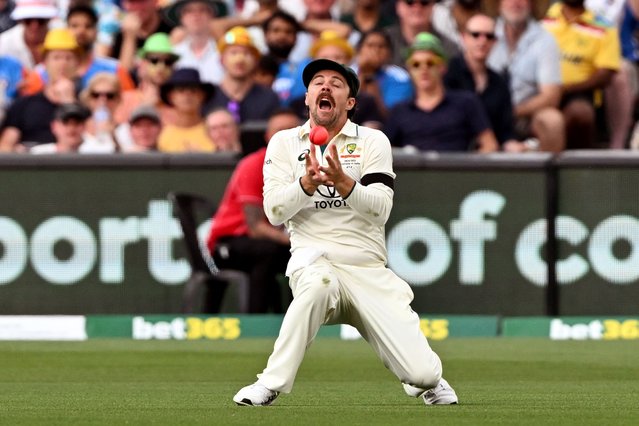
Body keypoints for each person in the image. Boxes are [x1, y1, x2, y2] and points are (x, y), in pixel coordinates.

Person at [232, 58, 458, 407]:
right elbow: (274, 210)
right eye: (318, 82)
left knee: (423, 376)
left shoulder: (372, 141)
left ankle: (425, 380)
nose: (325, 87)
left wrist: (344, 183)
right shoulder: (285, 143)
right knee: (318, 285)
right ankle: (269, 384)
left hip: (367, 268)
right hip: (314, 261)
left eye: (336, 84)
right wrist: (306, 183)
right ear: (307, 98)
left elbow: (381, 209)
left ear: (350, 102)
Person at [206, 109, 299, 314]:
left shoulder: (307, 167)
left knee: (306, 256)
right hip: (229, 242)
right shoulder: (254, 165)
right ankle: (256, 321)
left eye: (293, 131)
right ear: (268, 137)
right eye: (280, 131)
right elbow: (255, 228)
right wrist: (298, 241)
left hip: (274, 241)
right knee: (268, 251)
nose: (287, 137)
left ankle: (302, 321)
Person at [385, 32, 499, 152]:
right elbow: (384, 152)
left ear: (442, 67)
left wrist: (470, 168)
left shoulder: (466, 103)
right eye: (416, 64)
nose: (423, 69)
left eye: (430, 63)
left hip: (456, 169)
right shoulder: (399, 111)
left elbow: (489, 144)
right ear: (409, 70)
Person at [487, 0, 565, 153]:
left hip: (526, 117)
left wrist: (512, 111)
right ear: (498, 4)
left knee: (552, 120)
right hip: (487, 114)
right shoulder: (484, 34)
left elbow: (551, 96)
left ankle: (549, 175)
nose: (516, 3)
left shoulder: (545, 40)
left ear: (532, 4)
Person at [543, 0, 621, 149]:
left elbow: (606, 73)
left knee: (580, 113)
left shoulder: (604, 27)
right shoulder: (542, 20)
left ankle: (576, 168)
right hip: (539, 89)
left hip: (580, 93)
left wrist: (565, 89)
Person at [444, 13, 517, 147]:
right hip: (453, 151)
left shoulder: (500, 82)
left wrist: (513, 146)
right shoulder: (447, 73)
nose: (482, 41)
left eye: (489, 36)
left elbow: (506, 131)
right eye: (475, 35)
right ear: (464, 37)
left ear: (495, 42)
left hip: (489, 156)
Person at [203, 26, 281, 124]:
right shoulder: (207, 97)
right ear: (221, 60)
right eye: (233, 53)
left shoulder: (269, 97)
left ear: (256, 61)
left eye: (246, 53)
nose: (240, 59)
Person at [114, 32, 180, 126]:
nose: (161, 67)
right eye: (154, 60)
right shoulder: (125, 99)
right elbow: (118, 133)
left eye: (167, 62)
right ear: (142, 64)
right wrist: (145, 107)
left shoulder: (180, 102)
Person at [165, 0, 227, 84]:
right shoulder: (173, 54)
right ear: (181, 18)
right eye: (189, 11)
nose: (196, 15)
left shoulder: (224, 53)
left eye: (202, 10)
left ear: (212, 15)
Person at [158, 67, 216, 152]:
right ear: (171, 97)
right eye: (181, 90)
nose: (187, 94)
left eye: (193, 90)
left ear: (202, 96)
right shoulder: (163, 135)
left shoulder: (215, 130)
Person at [30, 102, 113, 154]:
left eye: (77, 123)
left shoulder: (97, 153)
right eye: (66, 123)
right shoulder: (39, 154)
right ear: (54, 126)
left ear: (84, 126)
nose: (71, 128)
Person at [0, 0, 57, 69]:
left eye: (41, 20)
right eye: (28, 20)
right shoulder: (4, 43)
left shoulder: (62, 37)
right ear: (21, 20)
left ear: (49, 19)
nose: (35, 26)